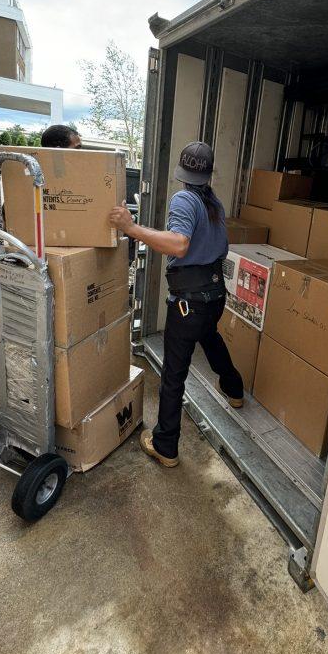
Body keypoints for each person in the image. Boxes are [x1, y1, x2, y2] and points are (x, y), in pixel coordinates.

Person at [109, 141, 244, 468]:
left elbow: (180, 244)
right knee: (209, 336)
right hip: (214, 295)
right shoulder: (214, 203)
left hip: (189, 302)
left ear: (182, 172)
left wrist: (131, 228)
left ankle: (165, 445)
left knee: (173, 375)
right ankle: (234, 387)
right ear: (208, 174)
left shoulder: (184, 198)